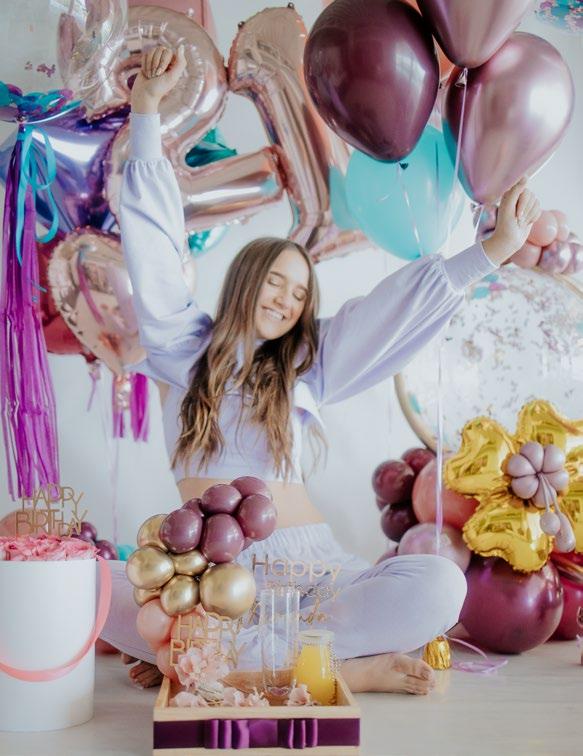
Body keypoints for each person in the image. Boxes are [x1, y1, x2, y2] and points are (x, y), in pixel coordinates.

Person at [100, 46, 541, 693]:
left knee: (439, 583)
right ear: (245, 280)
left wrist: (490, 251)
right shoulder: (181, 347)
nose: (287, 300)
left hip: (311, 574)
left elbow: (388, 313)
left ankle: (212, 659)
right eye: (276, 282)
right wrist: (145, 114)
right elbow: (155, 248)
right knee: (89, 583)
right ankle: (302, 663)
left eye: (300, 294)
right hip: (203, 575)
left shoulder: (308, 363)